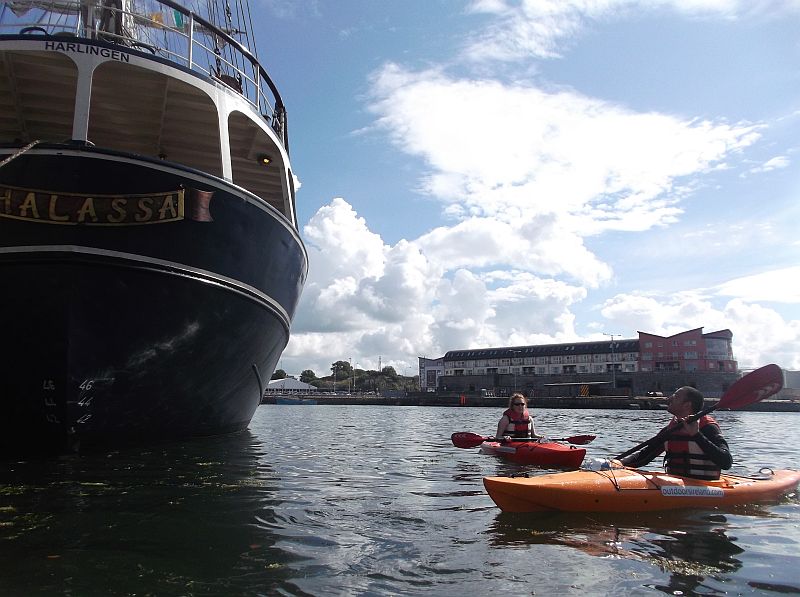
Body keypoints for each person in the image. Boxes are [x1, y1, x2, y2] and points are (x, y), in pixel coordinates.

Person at [619, 386, 732, 479]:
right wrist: (616, 463)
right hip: (676, 486)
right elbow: (644, 456)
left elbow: (726, 462)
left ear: (687, 405)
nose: (670, 398)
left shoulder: (708, 428)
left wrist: (697, 435)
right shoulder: (671, 429)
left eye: (676, 396)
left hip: (705, 487)